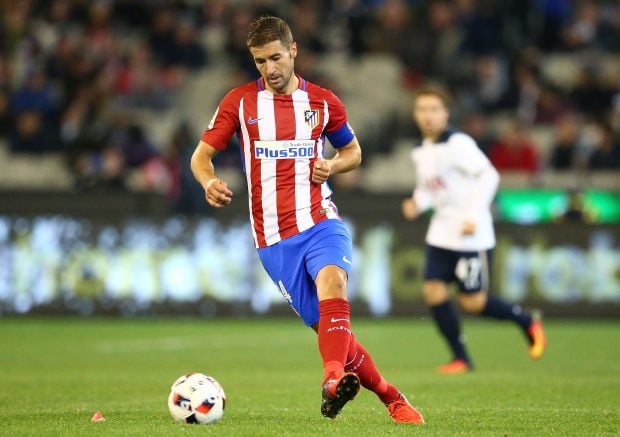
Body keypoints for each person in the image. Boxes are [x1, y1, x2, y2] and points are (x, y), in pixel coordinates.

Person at [190, 16, 424, 423]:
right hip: (273, 240)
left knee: (334, 280)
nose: (270, 69)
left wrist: (332, 167)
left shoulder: (322, 102)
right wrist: (208, 182)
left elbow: (353, 152)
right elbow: (200, 158)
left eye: (276, 58)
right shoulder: (240, 103)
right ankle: (391, 396)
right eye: (260, 61)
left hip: (320, 220)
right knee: (335, 334)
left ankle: (331, 382)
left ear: (293, 50)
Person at [401, 85, 547, 374]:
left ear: (446, 113)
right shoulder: (421, 149)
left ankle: (526, 321)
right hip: (441, 233)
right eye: (422, 109)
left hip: (471, 235)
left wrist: (473, 215)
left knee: (473, 302)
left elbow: (489, 175)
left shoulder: (459, 143)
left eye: (434, 109)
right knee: (433, 291)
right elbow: (431, 188)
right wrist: (417, 202)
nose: (427, 116)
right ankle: (461, 358)